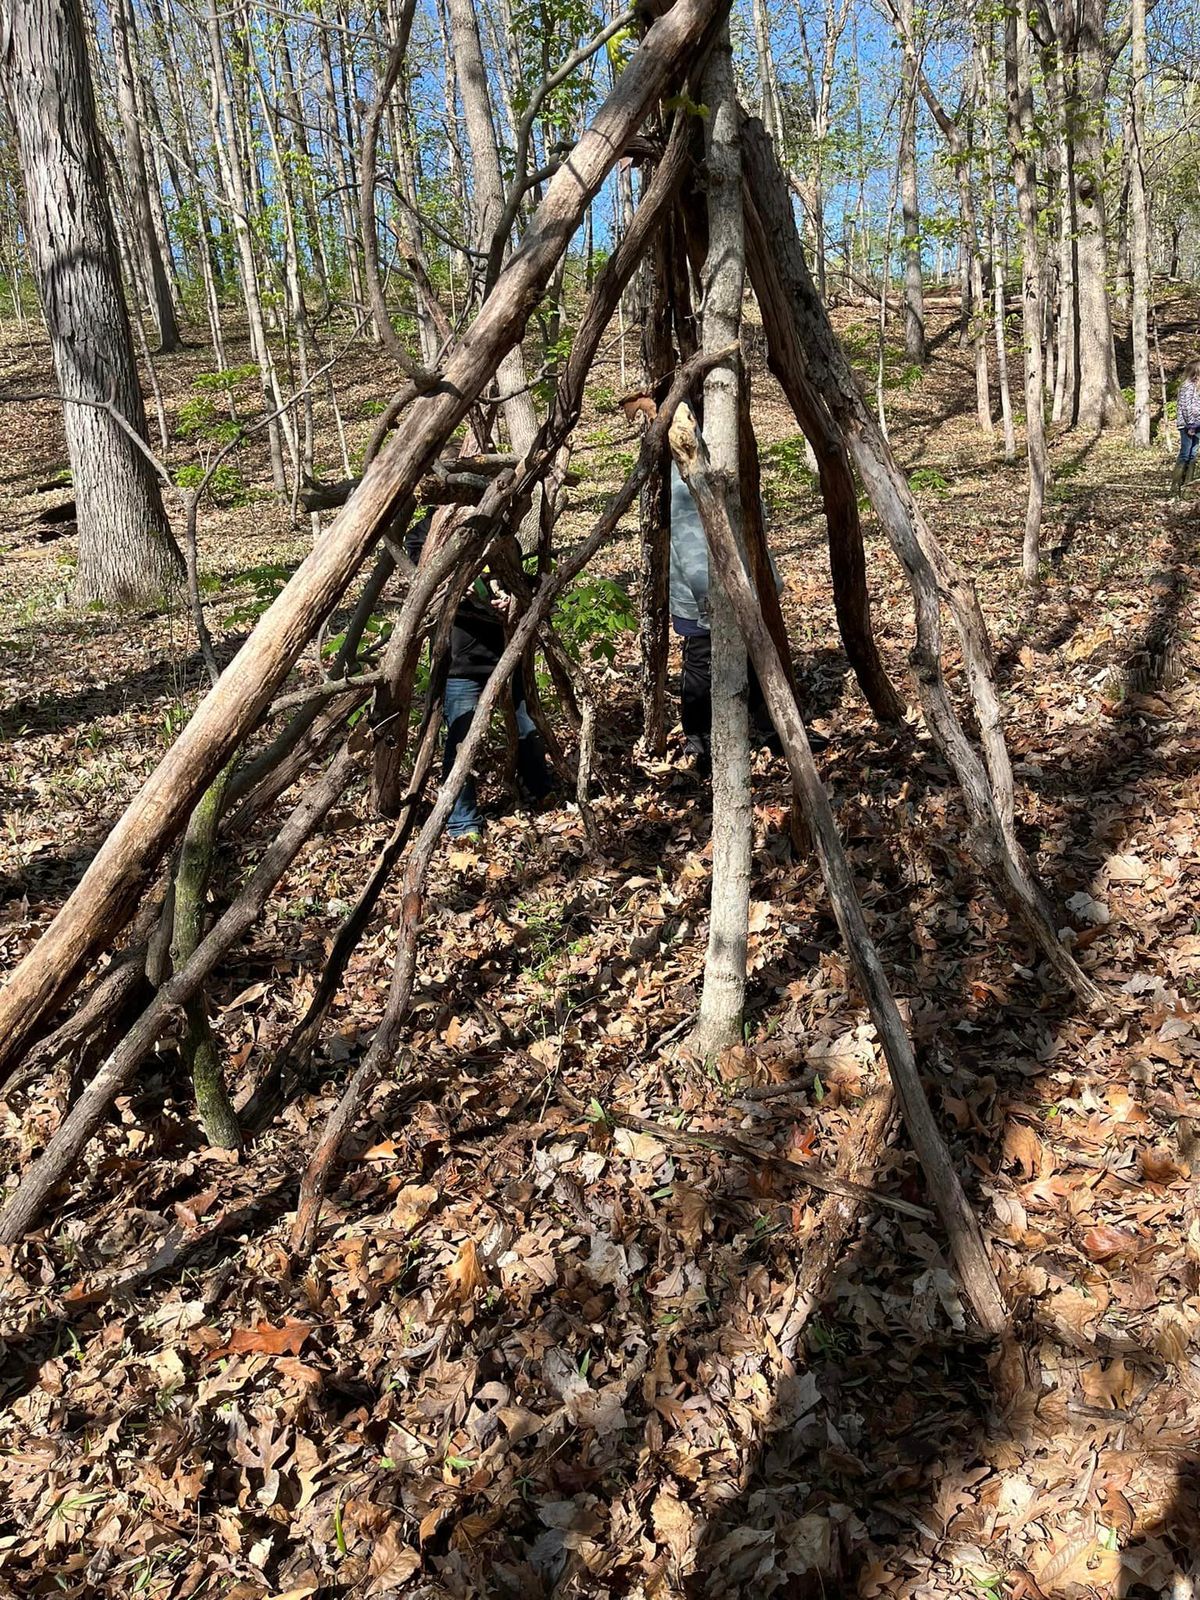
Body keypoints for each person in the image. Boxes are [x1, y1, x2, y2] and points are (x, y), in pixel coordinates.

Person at [406, 513, 554, 841]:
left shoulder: (501, 531)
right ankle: (463, 822)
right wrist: (463, 583)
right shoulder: (433, 531)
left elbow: (517, 579)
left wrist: (514, 596)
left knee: (527, 726)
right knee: (462, 742)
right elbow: (422, 562)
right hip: (461, 662)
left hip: (502, 654)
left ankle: (543, 791)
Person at [668, 463, 824, 771]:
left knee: (758, 657)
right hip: (700, 594)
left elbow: (752, 521)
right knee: (701, 665)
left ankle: (773, 727)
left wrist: (767, 578)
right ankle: (699, 740)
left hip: (743, 581)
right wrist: (707, 596)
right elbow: (688, 539)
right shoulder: (681, 472)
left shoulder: (730, 453)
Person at [1172, 359, 1200, 494]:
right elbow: (1186, 407)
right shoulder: (1187, 387)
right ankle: (1176, 487)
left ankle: (1188, 486)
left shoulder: (1197, 387)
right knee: (1185, 453)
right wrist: (1191, 425)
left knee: (1193, 453)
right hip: (1187, 425)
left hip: (1198, 424)